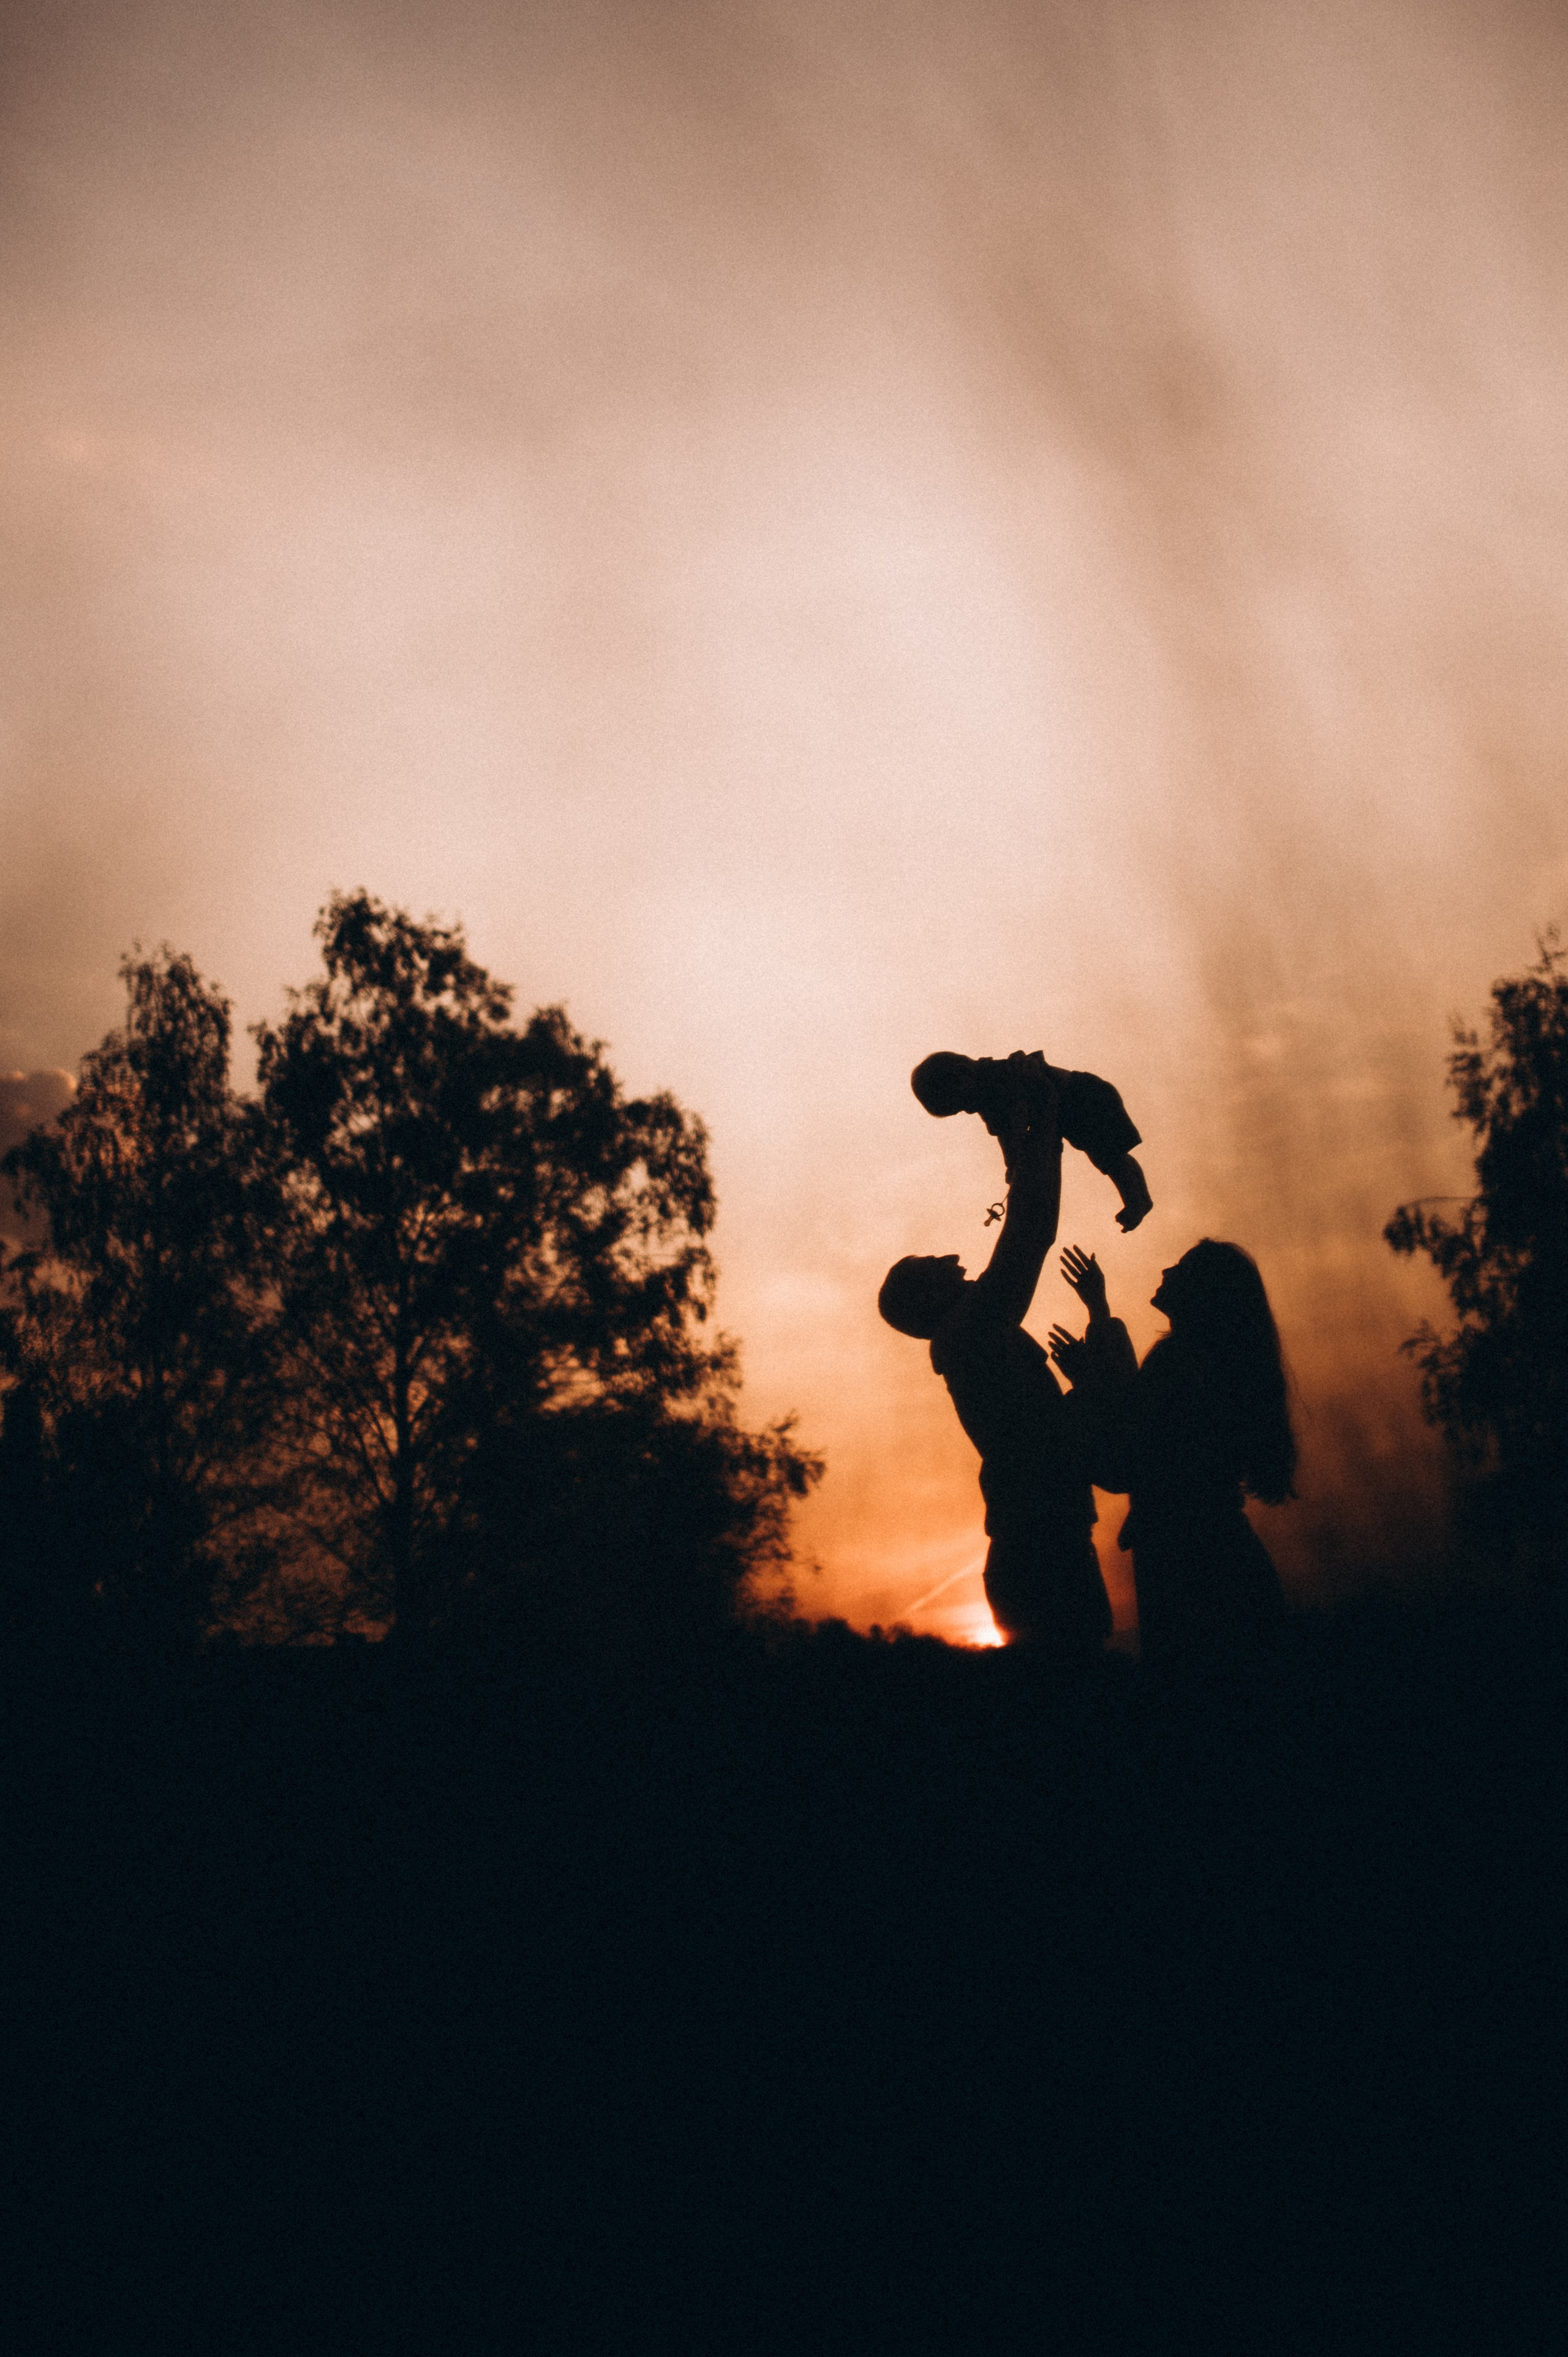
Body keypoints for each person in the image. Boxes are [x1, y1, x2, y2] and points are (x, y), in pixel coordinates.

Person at [878, 1085, 1112, 1656]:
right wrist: (1044, 1131)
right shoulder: (972, 1334)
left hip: (1042, 1543)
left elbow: (1046, 1435)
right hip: (1042, 1551)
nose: (955, 1260)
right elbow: (1029, 1233)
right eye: (935, 1268)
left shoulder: (972, 1341)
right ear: (927, 1303)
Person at [1047, 1240, 1296, 1675]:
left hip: (1191, 1568)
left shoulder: (1180, 1362)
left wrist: (1085, 1386)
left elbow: (1130, 1458)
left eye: (1180, 1267)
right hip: (1215, 1554)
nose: (1166, 1270)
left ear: (1204, 1292)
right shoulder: (1208, 1363)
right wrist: (1097, 1312)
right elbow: (1135, 1419)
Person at [911, 1049, 1153, 1232]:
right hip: (1080, 1100)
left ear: (962, 1074)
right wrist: (1013, 1164)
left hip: (1083, 1098)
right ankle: (1140, 1199)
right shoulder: (988, 1091)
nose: (968, 1111)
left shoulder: (997, 1082)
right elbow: (1006, 1134)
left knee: (1111, 1158)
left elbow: (1012, 1126)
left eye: (962, 1105)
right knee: (1111, 1158)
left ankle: (1136, 1199)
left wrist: (1016, 1163)